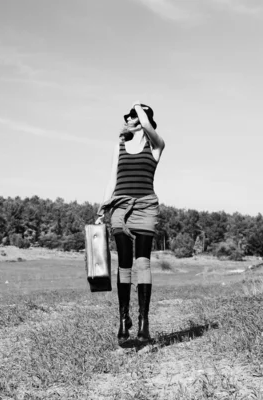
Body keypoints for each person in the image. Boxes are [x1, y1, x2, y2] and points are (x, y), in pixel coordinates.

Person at [96, 102, 165, 343]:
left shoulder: (156, 145)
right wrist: (102, 208)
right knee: (124, 264)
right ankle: (123, 318)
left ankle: (144, 322)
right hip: (119, 207)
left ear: (144, 118)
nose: (127, 117)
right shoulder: (120, 145)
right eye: (127, 114)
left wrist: (139, 106)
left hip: (146, 208)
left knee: (143, 263)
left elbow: (147, 124)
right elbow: (112, 178)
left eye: (132, 115)